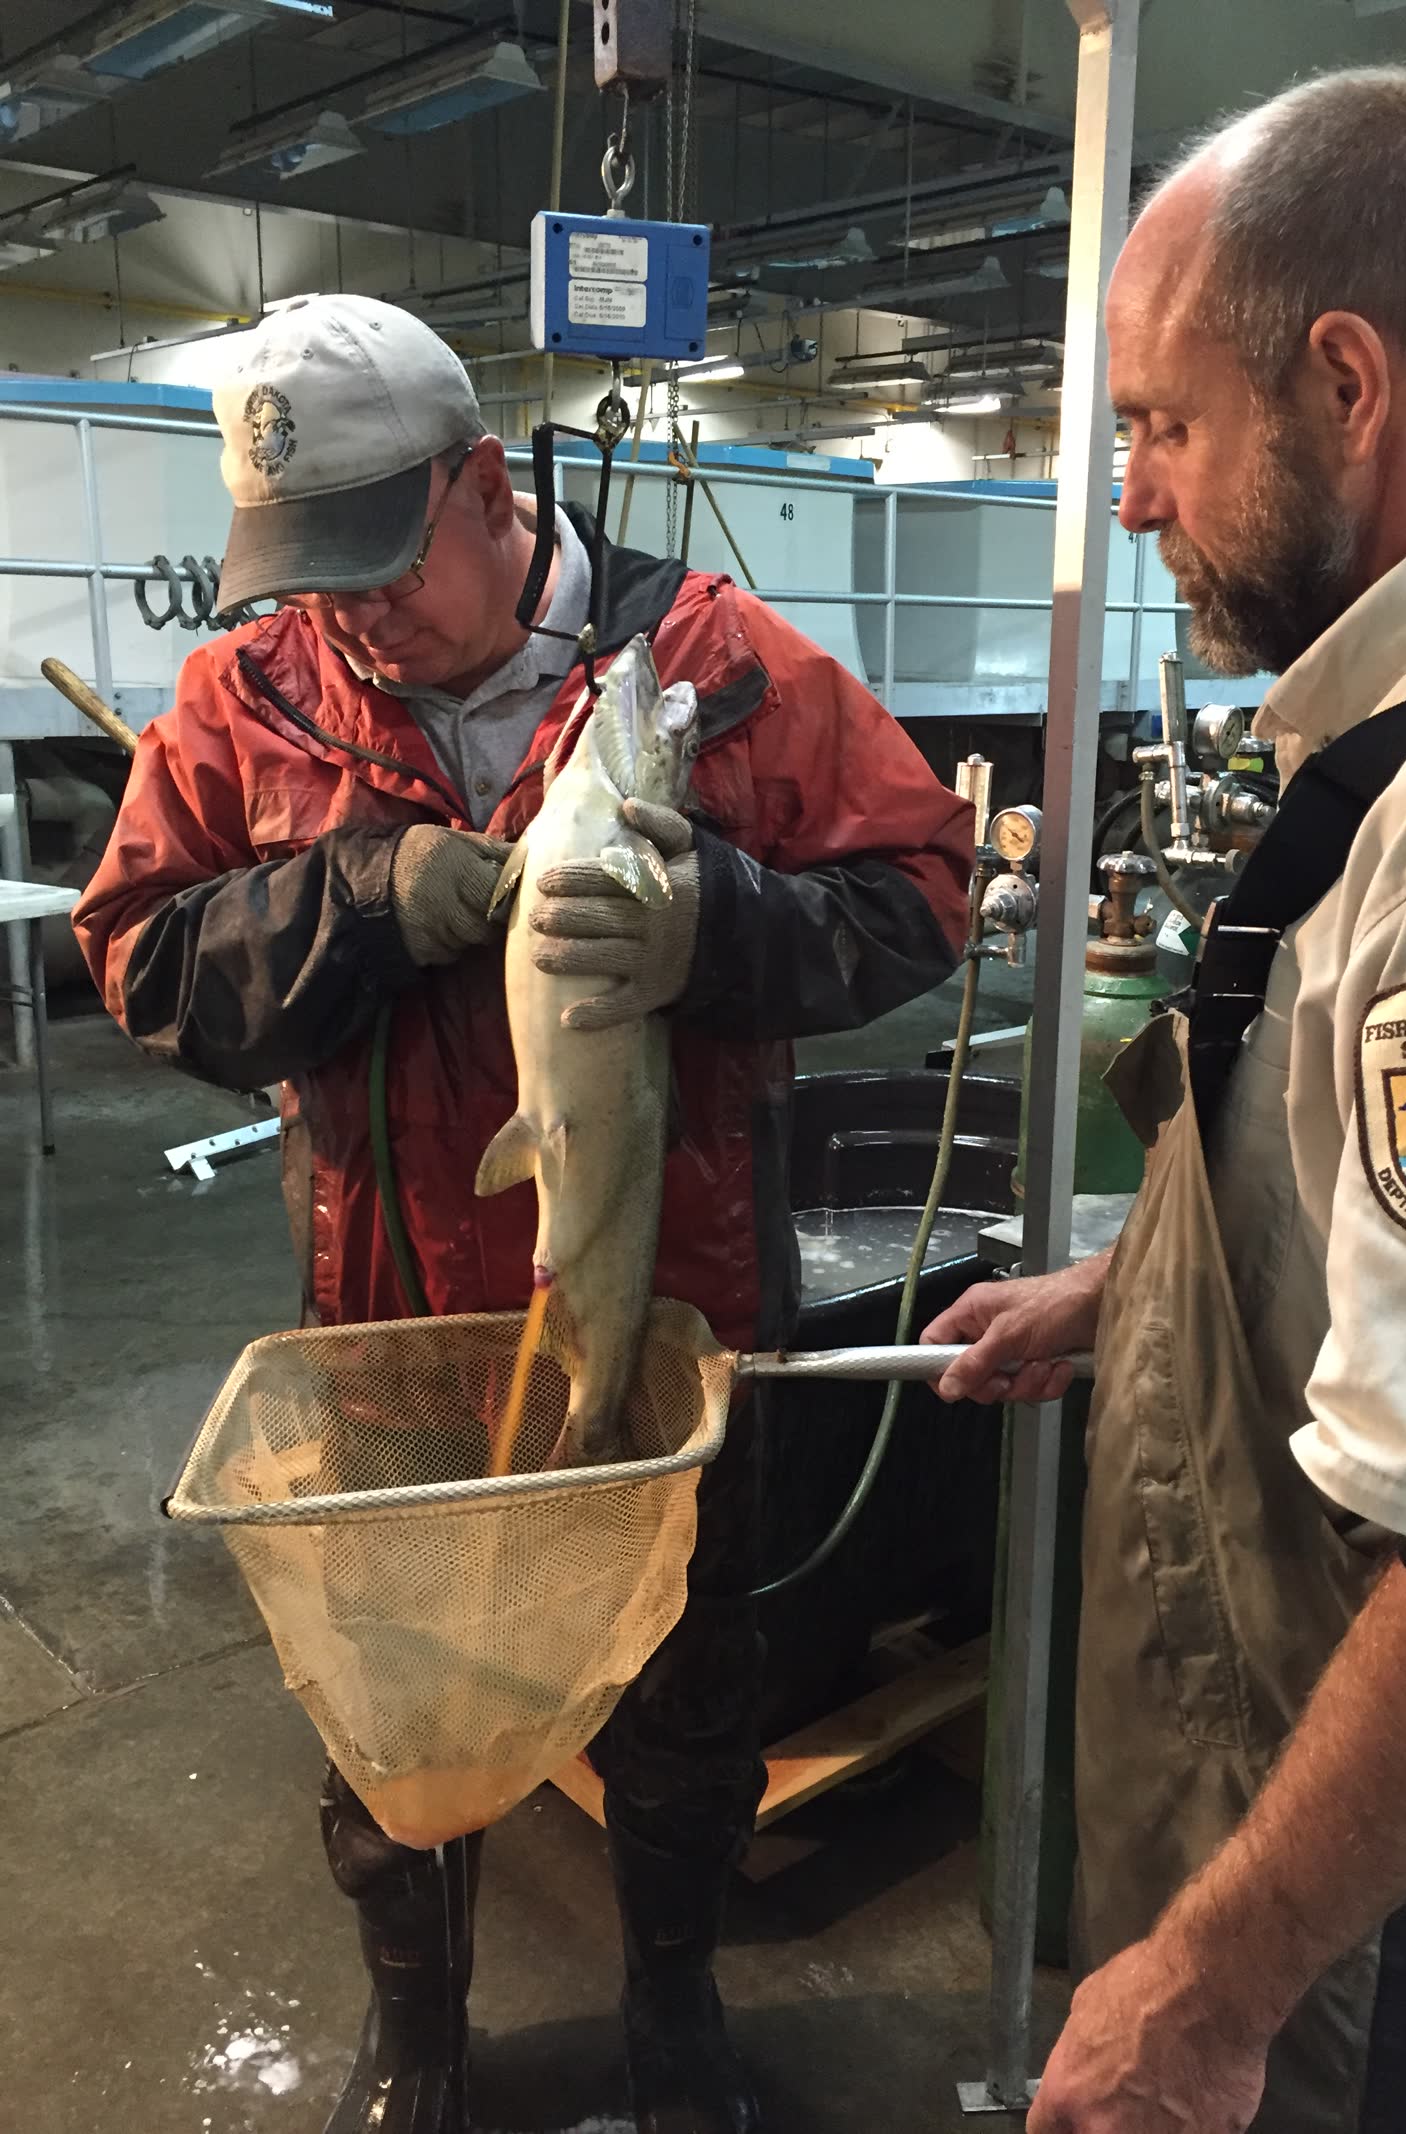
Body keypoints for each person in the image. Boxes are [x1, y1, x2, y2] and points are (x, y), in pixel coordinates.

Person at [74, 293, 973, 2134]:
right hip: (390, 1320)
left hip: (669, 1309)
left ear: (486, 485)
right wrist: (359, 898)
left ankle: (672, 2004)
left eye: (379, 560)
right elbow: (142, 959)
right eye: (302, 569)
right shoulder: (249, 697)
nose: (343, 611)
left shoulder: (711, 664)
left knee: (679, 1686)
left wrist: (715, 922)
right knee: (391, 1704)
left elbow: (917, 890)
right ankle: (418, 2030)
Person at [926, 64, 1406, 2134]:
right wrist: (1136, 1282)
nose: (1126, 492)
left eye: (1157, 423)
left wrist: (1210, 1984)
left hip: (1401, 1924)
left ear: (1339, 383)